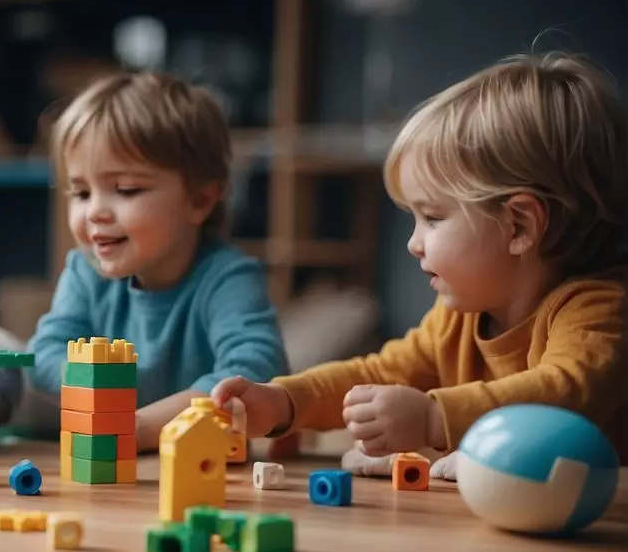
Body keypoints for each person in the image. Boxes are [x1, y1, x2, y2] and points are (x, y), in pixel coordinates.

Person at [210, 51, 627, 479]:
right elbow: (378, 373)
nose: (413, 243)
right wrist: (284, 401)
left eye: (433, 217)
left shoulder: (598, 310)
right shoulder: (456, 319)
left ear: (519, 225)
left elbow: (566, 390)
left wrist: (432, 417)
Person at [0, 71, 289, 451]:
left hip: (182, 433)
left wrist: (141, 426)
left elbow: (254, 372)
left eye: (125, 189)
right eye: (80, 193)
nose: (94, 212)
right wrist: (100, 400)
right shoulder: (84, 268)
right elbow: (47, 351)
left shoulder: (228, 277)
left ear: (201, 200)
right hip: (88, 417)